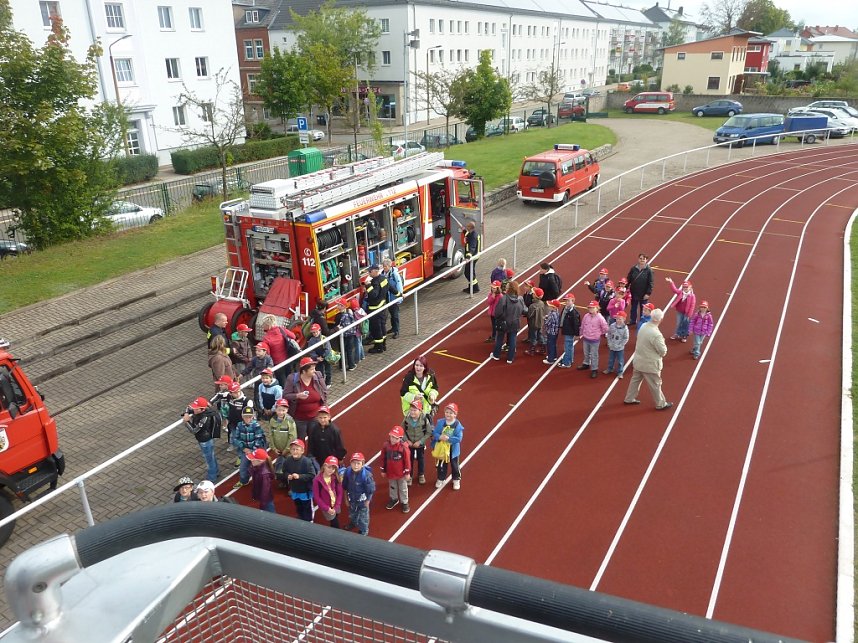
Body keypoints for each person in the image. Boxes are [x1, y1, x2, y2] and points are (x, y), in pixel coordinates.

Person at [623, 308, 673, 410]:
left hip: (638, 360)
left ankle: (629, 398)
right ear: (660, 320)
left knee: (635, 380)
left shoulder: (644, 325)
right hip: (650, 364)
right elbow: (663, 351)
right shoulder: (656, 334)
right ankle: (661, 404)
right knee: (655, 384)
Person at [283, 357, 328, 440]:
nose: (314, 371)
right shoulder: (292, 378)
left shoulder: (317, 375)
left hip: (315, 417)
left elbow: (324, 392)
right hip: (299, 419)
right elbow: (285, 395)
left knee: (315, 440)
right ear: (303, 371)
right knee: (300, 441)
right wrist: (297, 395)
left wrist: (325, 410)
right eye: (311, 369)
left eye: (314, 368)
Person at [183, 396, 221, 483]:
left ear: (202, 409)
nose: (194, 410)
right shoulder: (200, 411)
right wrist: (186, 413)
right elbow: (189, 408)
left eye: (196, 409)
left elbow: (194, 430)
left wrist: (187, 422)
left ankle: (212, 477)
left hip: (205, 441)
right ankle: (216, 471)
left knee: (209, 460)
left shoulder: (205, 418)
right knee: (211, 457)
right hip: (203, 440)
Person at [232, 404, 268, 489]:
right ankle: (244, 481)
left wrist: (253, 450)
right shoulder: (239, 425)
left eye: (250, 416)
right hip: (245, 451)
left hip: (256, 451)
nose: (248, 419)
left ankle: (262, 482)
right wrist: (244, 448)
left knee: (259, 469)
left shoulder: (256, 426)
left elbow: (259, 439)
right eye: (246, 417)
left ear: (253, 416)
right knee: (243, 468)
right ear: (242, 417)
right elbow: (236, 439)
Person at [490, 280, 526, 364]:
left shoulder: (504, 298)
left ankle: (496, 355)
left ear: (509, 289)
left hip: (503, 322)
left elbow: (497, 312)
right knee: (513, 339)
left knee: (499, 338)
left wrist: (500, 318)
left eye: (507, 287)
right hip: (515, 322)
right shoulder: (520, 299)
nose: (505, 288)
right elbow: (524, 310)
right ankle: (510, 358)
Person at [282, 438, 317, 521]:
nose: (295, 451)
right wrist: (288, 476)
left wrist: (299, 476)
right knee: (298, 505)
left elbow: (312, 475)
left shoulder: (307, 462)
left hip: (305, 491)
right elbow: (284, 471)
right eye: (293, 449)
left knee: (307, 507)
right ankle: (301, 517)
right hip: (294, 489)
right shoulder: (288, 461)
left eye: (297, 449)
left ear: (302, 451)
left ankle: (309, 520)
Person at [431, 402, 464, 490]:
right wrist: (440, 437)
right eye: (447, 412)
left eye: (451, 413)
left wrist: (448, 439)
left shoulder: (457, 425)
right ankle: (441, 478)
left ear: (455, 414)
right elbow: (435, 432)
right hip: (442, 449)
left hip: (452, 450)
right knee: (441, 464)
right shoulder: (441, 422)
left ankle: (456, 479)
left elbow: (459, 438)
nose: (448, 414)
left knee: (454, 465)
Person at [342, 452, 375, 535]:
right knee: (352, 513)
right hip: (352, 499)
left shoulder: (367, 476)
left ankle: (364, 530)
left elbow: (371, 490)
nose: (356, 465)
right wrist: (346, 499)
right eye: (354, 463)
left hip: (362, 501)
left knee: (363, 518)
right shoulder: (348, 472)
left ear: (362, 464)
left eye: (358, 463)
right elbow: (344, 487)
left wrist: (367, 501)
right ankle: (353, 523)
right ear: (350, 463)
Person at [381, 425, 412, 513]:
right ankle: (394, 498)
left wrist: (407, 472)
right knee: (392, 486)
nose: (393, 439)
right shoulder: (386, 446)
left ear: (400, 438)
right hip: (391, 472)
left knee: (403, 488)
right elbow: (383, 458)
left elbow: (407, 461)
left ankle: (404, 502)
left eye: (396, 438)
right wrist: (383, 469)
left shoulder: (403, 447)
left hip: (401, 473)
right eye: (392, 437)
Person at [402, 398, 432, 485]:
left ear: (420, 410)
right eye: (411, 410)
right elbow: (402, 430)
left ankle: (421, 474)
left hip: (420, 445)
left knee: (421, 459)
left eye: (415, 410)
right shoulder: (406, 419)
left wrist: (421, 441)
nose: (412, 412)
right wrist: (407, 441)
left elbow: (428, 432)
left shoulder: (424, 420)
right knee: (409, 460)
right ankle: (410, 476)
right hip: (409, 444)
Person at [578, 300, 609, 378]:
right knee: (586, 352)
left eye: (592, 308)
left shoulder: (600, 318)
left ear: (597, 308)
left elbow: (605, 328)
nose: (590, 309)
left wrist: (599, 333)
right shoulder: (586, 316)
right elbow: (582, 326)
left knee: (594, 355)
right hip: (586, 338)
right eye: (589, 308)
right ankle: (586, 363)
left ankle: (594, 369)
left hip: (594, 340)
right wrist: (580, 334)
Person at [364, 265, 390, 354]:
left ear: (375, 271)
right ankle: (383, 345)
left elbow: (374, 295)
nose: (369, 273)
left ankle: (379, 347)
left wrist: (368, 286)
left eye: (370, 272)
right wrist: (399, 294)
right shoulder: (384, 278)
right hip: (382, 307)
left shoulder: (374, 282)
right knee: (382, 327)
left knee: (376, 329)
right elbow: (390, 288)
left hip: (375, 309)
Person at [268, 398, 297, 477]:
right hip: (278, 450)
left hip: (288, 451)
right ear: (276, 409)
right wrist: (274, 448)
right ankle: (282, 480)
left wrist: (287, 449)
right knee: (280, 467)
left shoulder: (290, 421)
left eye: (283, 410)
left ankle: (289, 482)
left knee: (290, 466)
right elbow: (271, 435)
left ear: (287, 410)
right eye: (279, 410)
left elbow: (292, 437)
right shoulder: (272, 420)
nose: (281, 412)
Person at [313, 455, 343, 528]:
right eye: (329, 467)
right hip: (327, 506)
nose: (331, 470)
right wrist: (327, 509)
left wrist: (337, 506)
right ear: (324, 466)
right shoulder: (317, 480)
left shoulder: (335, 477)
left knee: (335, 515)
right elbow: (317, 497)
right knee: (334, 523)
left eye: (333, 468)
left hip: (335, 504)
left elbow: (340, 492)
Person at [665, 278, 697, 342]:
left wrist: (689, 314)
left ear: (690, 287)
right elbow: (674, 290)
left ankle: (684, 336)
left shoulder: (692, 296)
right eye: (684, 287)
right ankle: (677, 334)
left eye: (686, 287)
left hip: (687, 313)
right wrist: (671, 282)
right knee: (678, 323)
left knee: (685, 324)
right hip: (679, 311)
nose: (685, 288)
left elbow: (692, 305)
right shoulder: (680, 293)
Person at [626, 253, 654, 326]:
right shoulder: (633, 268)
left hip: (643, 294)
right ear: (638, 259)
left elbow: (651, 283)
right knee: (633, 308)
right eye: (640, 258)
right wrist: (625, 288)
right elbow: (628, 279)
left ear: (646, 260)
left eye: (643, 259)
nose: (642, 260)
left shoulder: (649, 270)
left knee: (643, 309)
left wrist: (648, 293)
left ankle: (643, 321)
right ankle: (633, 320)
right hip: (634, 292)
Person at [246, 447, 276, 513]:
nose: (251, 460)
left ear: (260, 461)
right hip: (263, 498)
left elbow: (265, 490)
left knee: (270, 513)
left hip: (266, 499)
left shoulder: (264, 474)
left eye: (253, 459)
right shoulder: (257, 467)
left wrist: (263, 503)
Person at [305, 323, 333, 387]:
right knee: (320, 372)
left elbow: (328, 349)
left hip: (325, 357)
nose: (315, 333)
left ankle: (328, 382)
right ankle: (321, 383)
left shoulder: (324, 338)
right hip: (317, 358)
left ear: (319, 331)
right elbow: (311, 351)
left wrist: (322, 356)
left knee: (328, 370)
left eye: (316, 332)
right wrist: (316, 357)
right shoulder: (311, 341)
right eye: (313, 332)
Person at [557, 294, 581, 369]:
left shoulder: (573, 312)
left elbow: (576, 324)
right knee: (569, 346)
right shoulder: (566, 308)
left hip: (569, 332)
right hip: (567, 330)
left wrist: (577, 334)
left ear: (573, 301)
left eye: (568, 300)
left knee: (567, 347)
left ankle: (566, 362)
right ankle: (570, 359)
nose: (566, 302)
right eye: (566, 300)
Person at [335, 299, 359, 371]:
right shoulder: (349, 312)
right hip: (350, 334)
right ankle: (351, 365)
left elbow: (336, 326)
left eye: (338, 305)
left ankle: (342, 366)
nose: (337, 306)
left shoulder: (338, 316)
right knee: (349, 350)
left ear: (342, 306)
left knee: (342, 350)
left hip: (342, 336)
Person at [382, 257, 403, 339]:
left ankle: (396, 331)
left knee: (395, 315)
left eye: (385, 266)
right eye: (383, 266)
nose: (384, 268)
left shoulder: (395, 274)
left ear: (389, 266)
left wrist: (399, 298)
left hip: (394, 298)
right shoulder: (383, 274)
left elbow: (399, 286)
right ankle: (393, 328)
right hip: (387, 298)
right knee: (391, 313)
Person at [604, 310, 630, 378]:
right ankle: (610, 368)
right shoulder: (612, 326)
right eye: (617, 318)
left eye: (620, 319)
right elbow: (609, 334)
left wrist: (620, 345)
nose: (618, 320)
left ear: (624, 319)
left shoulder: (625, 329)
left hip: (620, 348)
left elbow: (626, 338)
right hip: (612, 346)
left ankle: (620, 372)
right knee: (611, 359)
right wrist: (609, 343)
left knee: (620, 360)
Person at [525, 287, 547, 355]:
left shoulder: (532, 306)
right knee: (540, 335)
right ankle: (543, 348)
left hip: (533, 324)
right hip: (540, 323)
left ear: (535, 295)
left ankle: (532, 350)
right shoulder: (542, 303)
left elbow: (529, 315)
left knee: (533, 337)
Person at [462, 220, 481, 293]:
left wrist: (468, 258)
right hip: (474, 256)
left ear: (470, 227)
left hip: (473, 257)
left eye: (467, 226)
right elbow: (468, 235)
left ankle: (475, 288)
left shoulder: (473, 236)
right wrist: (463, 230)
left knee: (468, 272)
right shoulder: (473, 233)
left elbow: (472, 248)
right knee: (469, 272)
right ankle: (471, 287)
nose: (466, 226)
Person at [542, 299, 561, 365]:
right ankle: (554, 356)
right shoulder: (556, 312)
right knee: (553, 345)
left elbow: (547, 323)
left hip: (551, 332)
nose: (549, 307)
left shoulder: (552, 314)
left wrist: (545, 318)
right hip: (555, 332)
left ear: (554, 307)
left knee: (550, 345)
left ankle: (550, 359)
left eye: (550, 306)